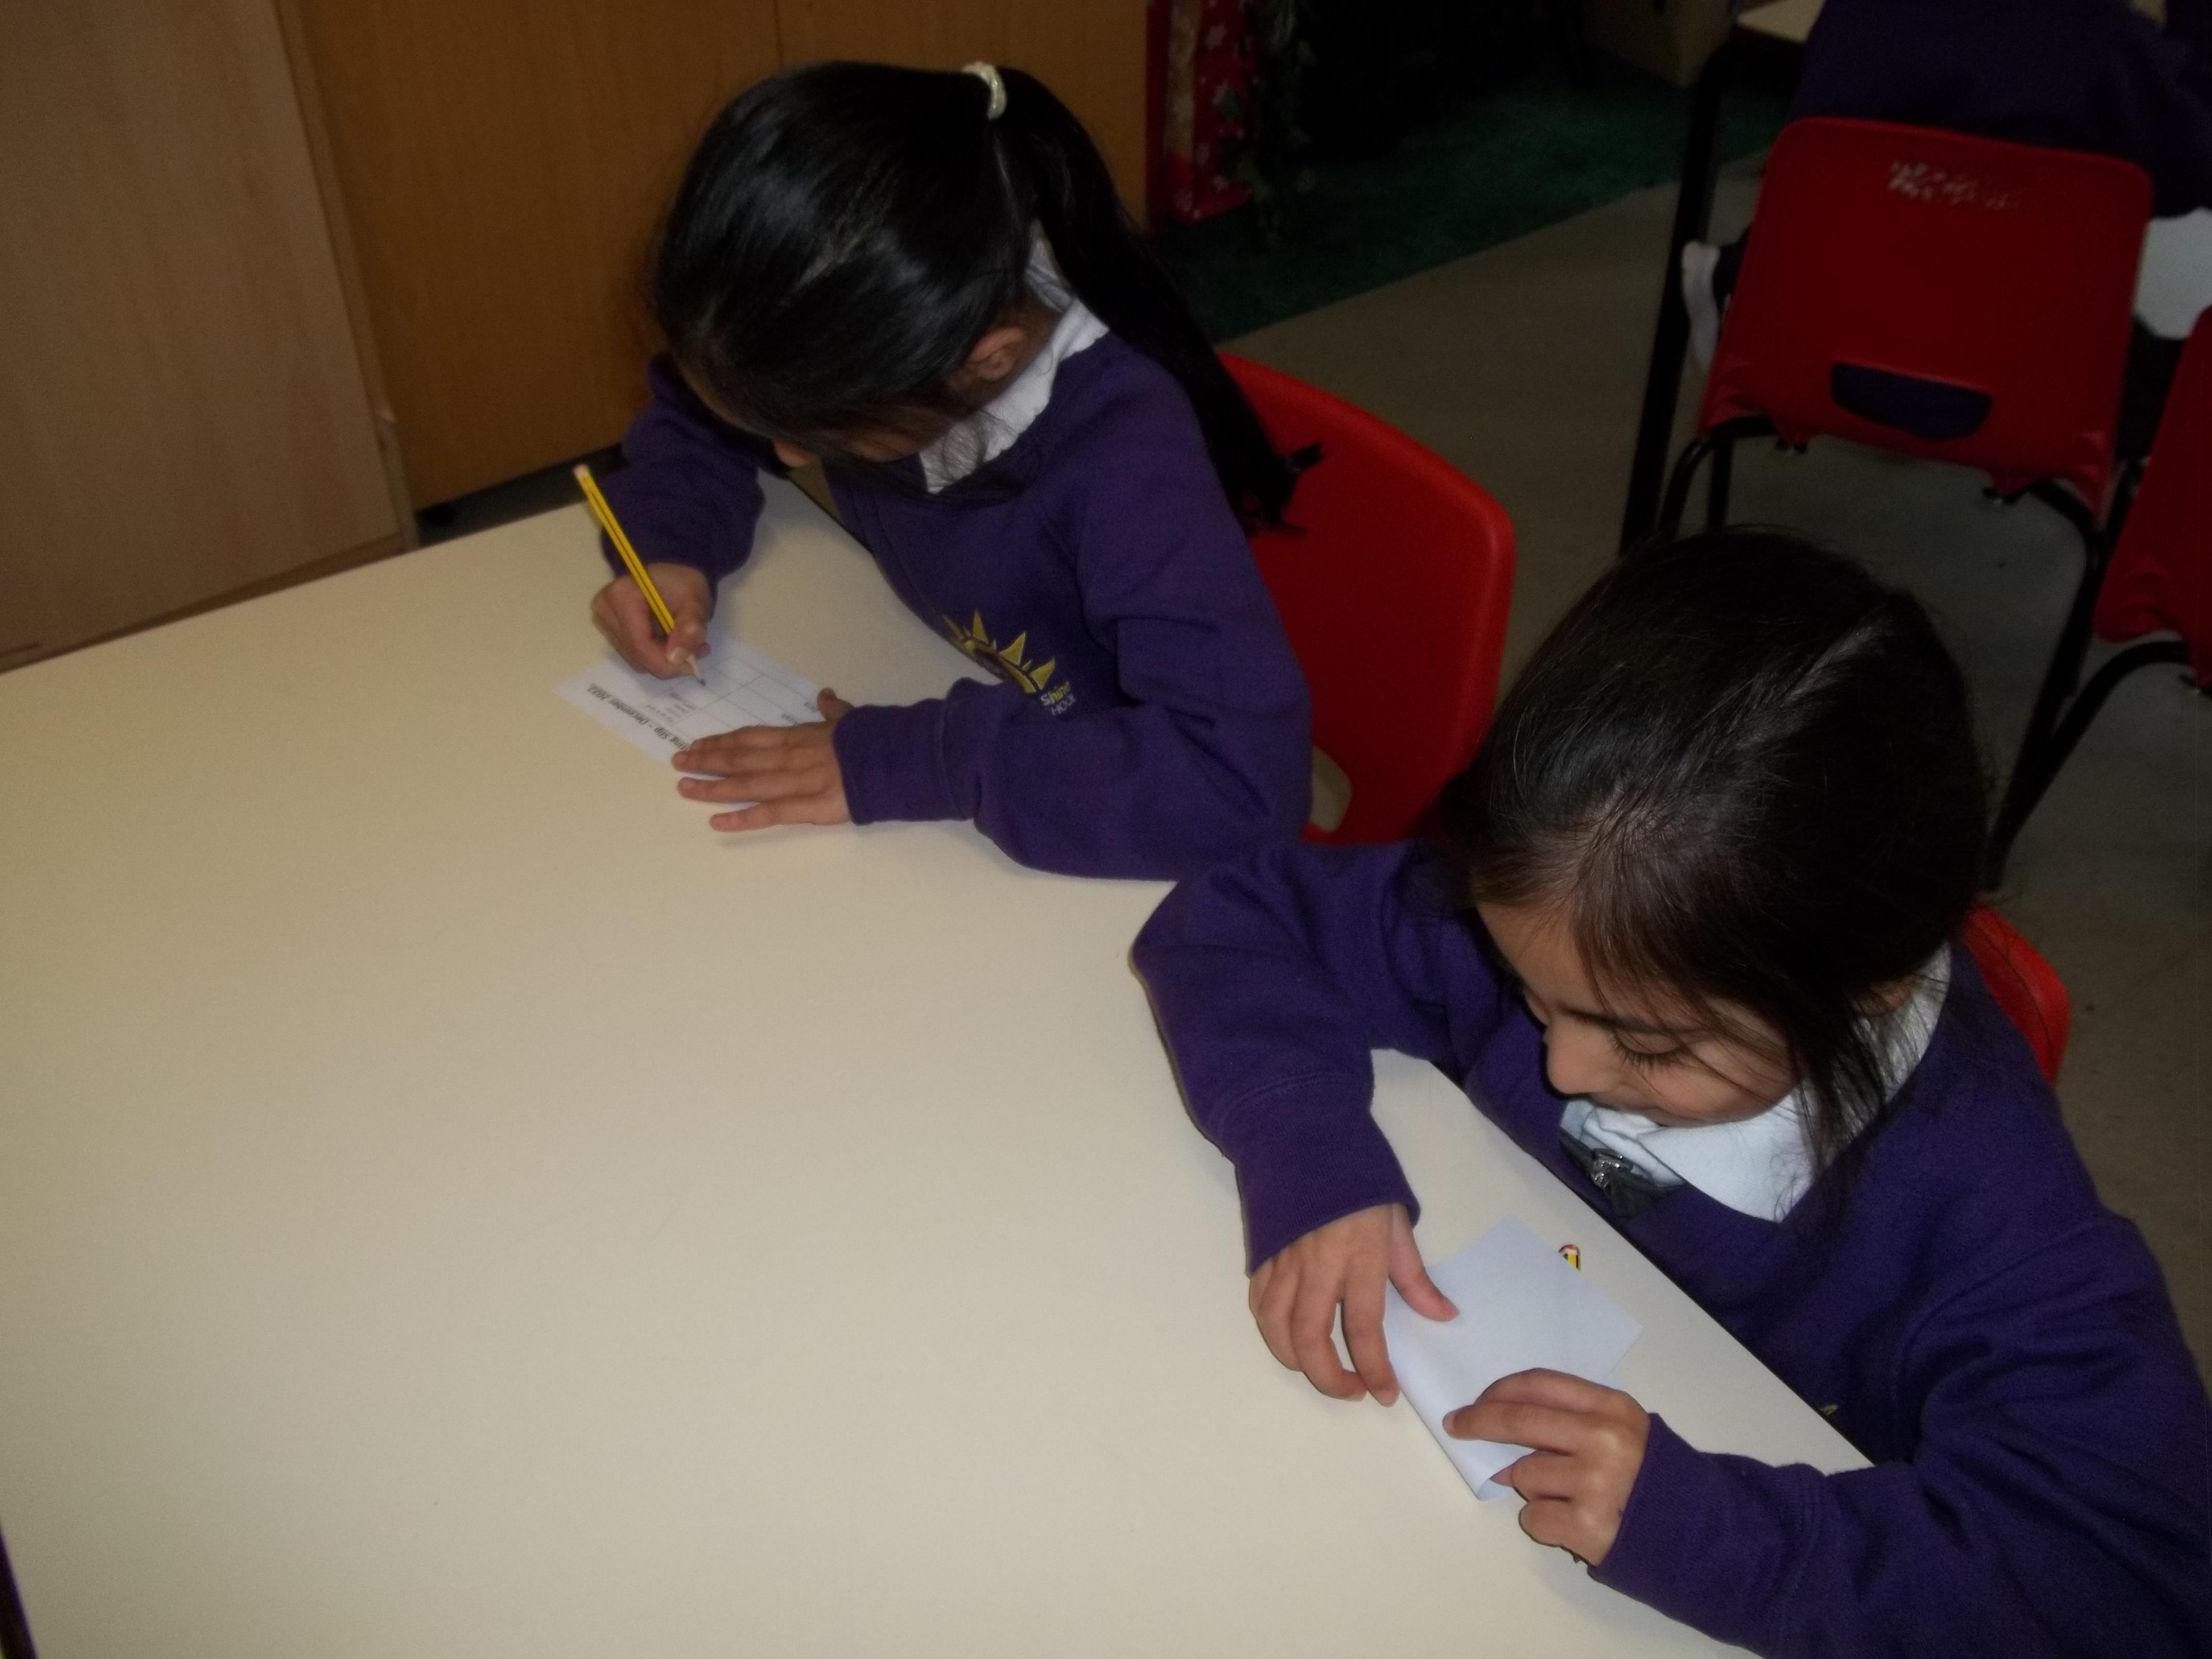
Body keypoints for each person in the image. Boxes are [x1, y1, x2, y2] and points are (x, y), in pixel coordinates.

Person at [1132, 530, 2212, 1655]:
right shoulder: (1573, 913)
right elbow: (1233, 921)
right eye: (1526, 990)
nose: (1560, 1070)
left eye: (1648, 1047)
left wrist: (1711, 1533)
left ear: (1872, 988)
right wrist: (1311, 1154)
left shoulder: (1990, 1219)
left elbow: (2136, 1590)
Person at [589, 61, 1312, 879]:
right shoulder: (885, 340)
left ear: (985, 363)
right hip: (975, 712)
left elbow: (1239, 784)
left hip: (1108, 810)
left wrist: (930, 757)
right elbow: (710, 413)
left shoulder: (1129, 464)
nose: (786, 456)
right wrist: (670, 544)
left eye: (813, 433)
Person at [1684, 0, 2212, 449]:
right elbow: (2191, 172)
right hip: (2031, 397)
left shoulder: (1853, 12)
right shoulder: (2107, 47)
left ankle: (1736, 278)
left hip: (1809, 358)